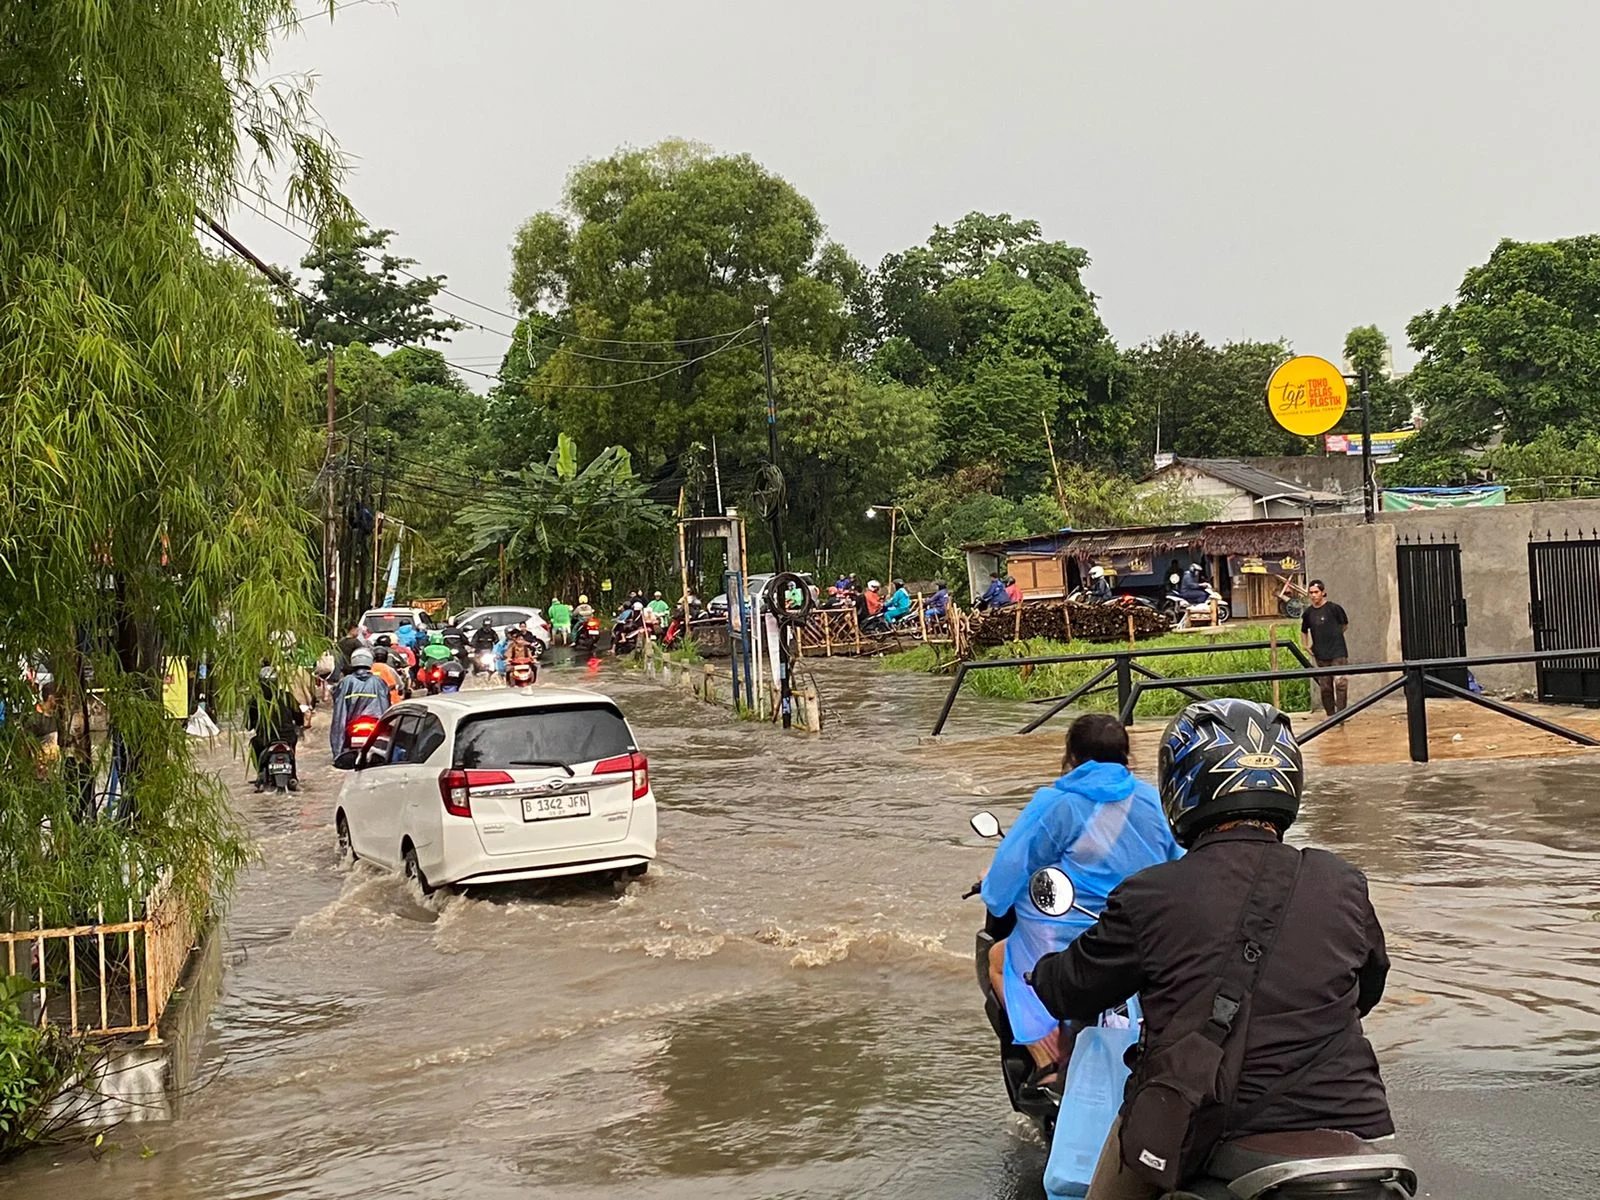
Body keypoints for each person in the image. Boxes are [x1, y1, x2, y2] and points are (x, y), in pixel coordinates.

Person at [1030, 699, 1393, 1200]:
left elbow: (1071, 989)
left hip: (1205, 1122)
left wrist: (1042, 972)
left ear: (1183, 784)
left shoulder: (1151, 894)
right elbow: (1368, 986)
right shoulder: (1343, 881)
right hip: (1352, 1127)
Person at [981, 714, 1181, 1082]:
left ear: (1071, 756)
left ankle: (1047, 1060)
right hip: (1147, 936)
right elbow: (1182, 863)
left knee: (997, 959)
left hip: (1076, 940)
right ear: (1127, 756)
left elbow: (1006, 875)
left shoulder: (1056, 804)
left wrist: (991, 888)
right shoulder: (1154, 801)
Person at [246, 666, 305, 791]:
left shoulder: (255, 701)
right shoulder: (287, 697)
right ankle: (293, 776)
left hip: (266, 739)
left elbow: (248, 725)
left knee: (254, 743)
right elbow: (299, 718)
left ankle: (260, 775)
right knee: (292, 747)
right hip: (288, 737)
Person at [328, 648, 388, 760]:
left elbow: (339, 708)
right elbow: (386, 701)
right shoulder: (378, 681)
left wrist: (337, 753)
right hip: (374, 722)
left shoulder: (346, 681)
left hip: (352, 724)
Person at [1301, 579, 1350, 716]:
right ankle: (1330, 714)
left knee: (1340, 683)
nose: (1313, 595)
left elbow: (1344, 625)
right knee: (1325, 686)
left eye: (1316, 592)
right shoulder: (1308, 613)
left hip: (1338, 652)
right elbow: (1304, 630)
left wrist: (1334, 635)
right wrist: (1305, 645)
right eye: (1311, 593)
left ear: (1323, 593)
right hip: (1320, 654)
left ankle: (1341, 714)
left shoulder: (1334, 609)